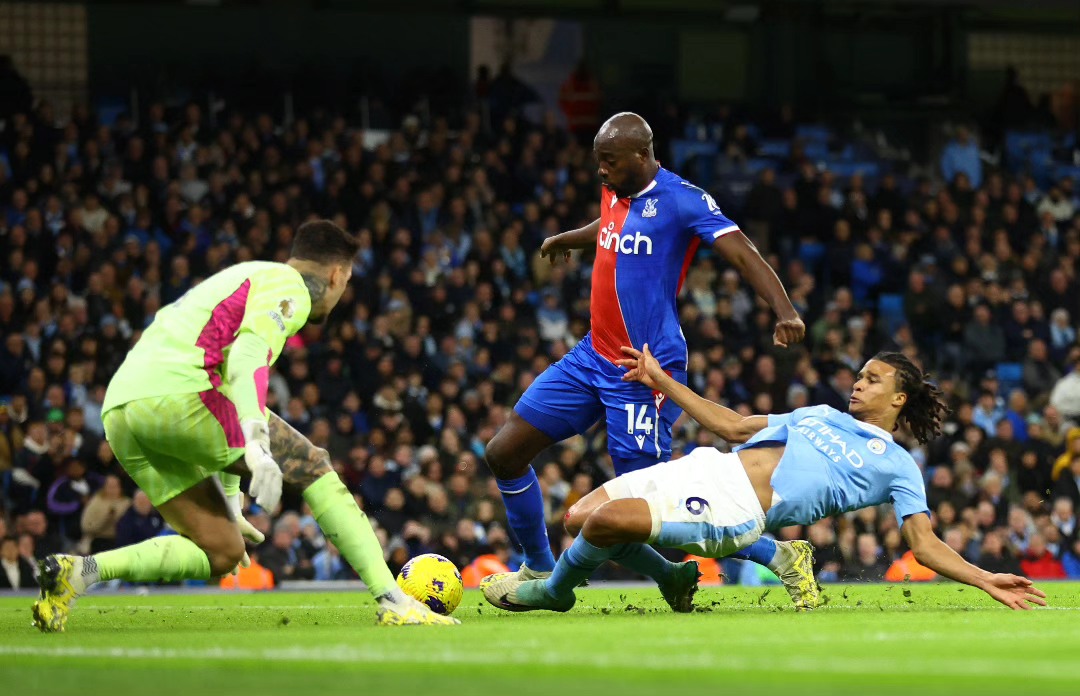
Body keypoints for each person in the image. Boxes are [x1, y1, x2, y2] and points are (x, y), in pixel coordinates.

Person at [32, 220, 456, 632]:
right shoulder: (290, 288)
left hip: (123, 410)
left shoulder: (245, 276)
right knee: (314, 465)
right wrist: (255, 441)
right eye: (345, 285)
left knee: (222, 549)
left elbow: (221, 389)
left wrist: (232, 501)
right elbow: (248, 355)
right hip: (180, 394)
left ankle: (80, 572)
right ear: (337, 273)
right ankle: (392, 599)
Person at [482, 112, 812, 608]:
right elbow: (610, 224)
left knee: (652, 509)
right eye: (598, 163)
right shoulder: (615, 187)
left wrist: (784, 310)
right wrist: (570, 238)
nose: (601, 172)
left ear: (642, 156)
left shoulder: (683, 200)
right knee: (504, 452)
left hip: (643, 371)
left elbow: (742, 252)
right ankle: (540, 564)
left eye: (609, 162)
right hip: (591, 355)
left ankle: (778, 556)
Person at [484, 347, 1047, 613]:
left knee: (606, 523)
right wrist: (661, 380)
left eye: (873, 381)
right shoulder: (822, 414)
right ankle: (678, 580)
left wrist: (984, 578)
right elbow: (730, 424)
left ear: (899, 399)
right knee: (577, 518)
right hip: (708, 466)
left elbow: (923, 546)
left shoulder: (898, 465)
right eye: (858, 375)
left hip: (734, 509)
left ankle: (552, 593)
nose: (858, 384)